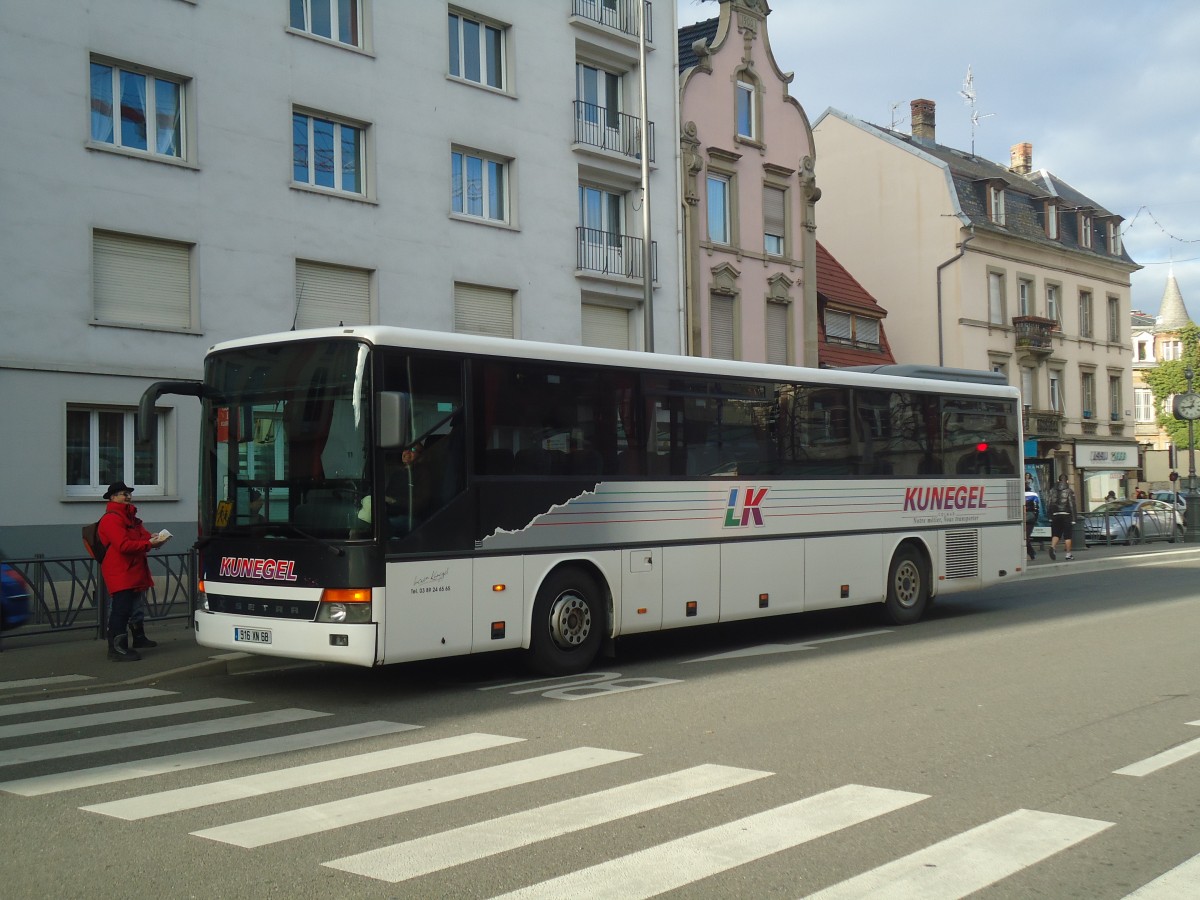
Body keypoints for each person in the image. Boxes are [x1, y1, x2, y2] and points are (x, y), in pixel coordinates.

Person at [97, 481, 170, 661]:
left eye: (128, 493)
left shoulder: (131, 518)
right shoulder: (112, 519)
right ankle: (117, 649)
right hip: (120, 571)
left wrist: (153, 538)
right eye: (123, 493)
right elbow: (123, 545)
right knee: (120, 610)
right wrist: (148, 543)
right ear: (113, 497)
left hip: (132, 570)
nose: (128, 496)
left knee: (135, 606)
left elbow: (141, 536)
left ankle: (138, 638)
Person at [1046, 473, 1077, 562]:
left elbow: (1049, 504)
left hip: (1055, 515)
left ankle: (1052, 547)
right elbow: (1072, 505)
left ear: (1058, 481)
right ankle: (1068, 555)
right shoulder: (1069, 491)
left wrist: (1050, 516)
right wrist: (1074, 519)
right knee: (1067, 536)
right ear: (1067, 481)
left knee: (1056, 534)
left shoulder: (1052, 491)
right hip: (1066, 515)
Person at [1024, 489, 1040, 561]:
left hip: (1021, 517)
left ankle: (1031, 553)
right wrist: (1035, 518)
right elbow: (1036, 507)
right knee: (1026, 537)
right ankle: (1031, 553)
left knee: (1024, 537)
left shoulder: (1019, 493)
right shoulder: (1034, 495)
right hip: (1030, 517)